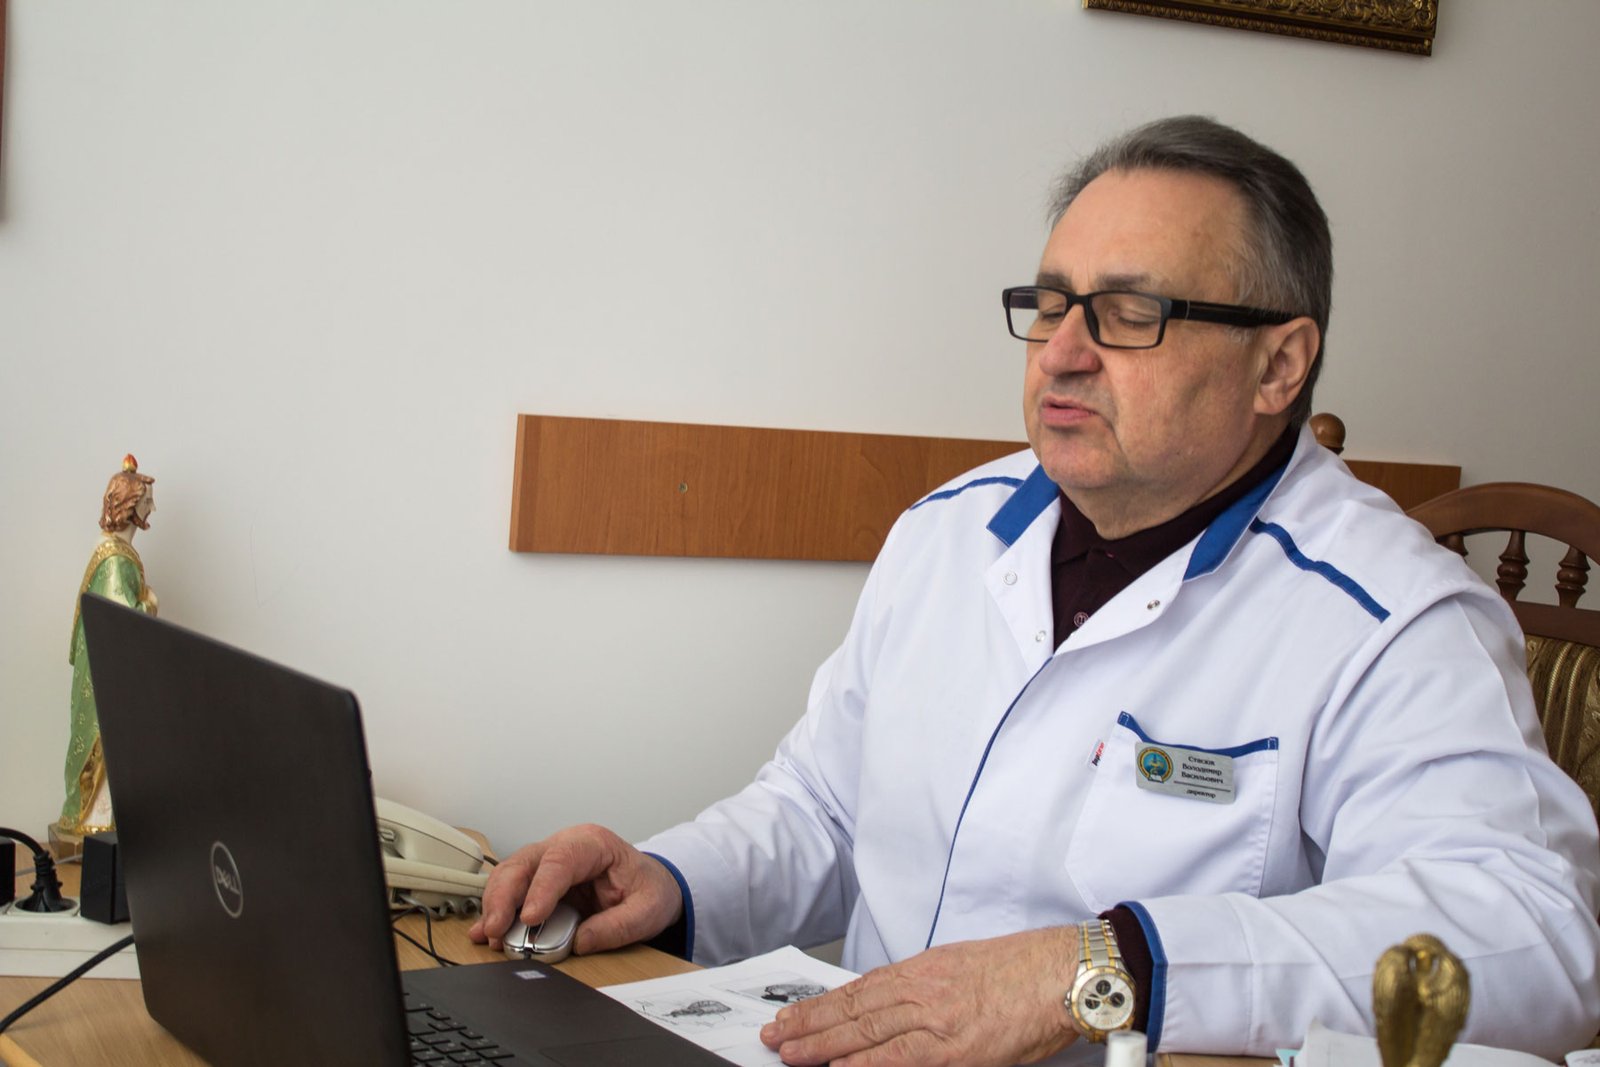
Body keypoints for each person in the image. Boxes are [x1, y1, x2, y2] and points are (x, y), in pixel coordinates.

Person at [471, 116, 1600, 1064]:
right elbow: (826, 806)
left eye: (1129, 314)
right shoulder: (948, 530)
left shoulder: (1390, 616)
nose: (1060, 351)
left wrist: (1105, 966)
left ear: (1278, 364)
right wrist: (670, 878)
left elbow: (1537, 936)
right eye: (1052, 303)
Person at [55, 454, 158, 850]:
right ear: (132, 506)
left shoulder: (116, 552)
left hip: (110, 670)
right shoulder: (115, 559)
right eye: (147, 500)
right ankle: (94, 823)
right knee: (103, 741)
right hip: (106, 674)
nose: (152, 508)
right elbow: (121, 621)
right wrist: (149, 603)